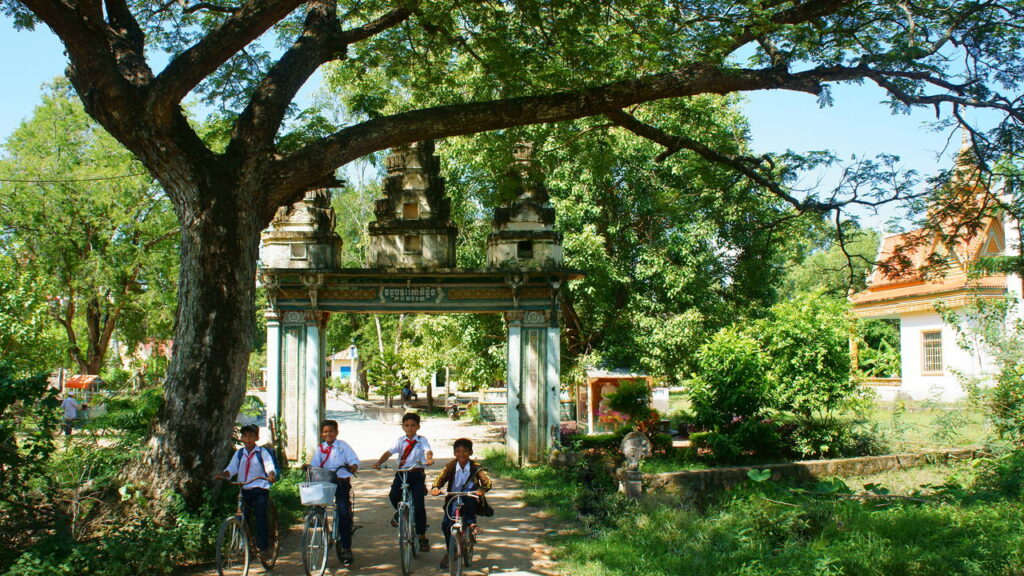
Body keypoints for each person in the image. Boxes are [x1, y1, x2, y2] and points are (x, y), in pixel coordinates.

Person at [373, 412, 434, 552]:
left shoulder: (422, 440)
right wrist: (379, 462)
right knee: (393, 495)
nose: (410, 428)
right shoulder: (400, 441)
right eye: (407, 425)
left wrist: (429, 459)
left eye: (413, 425)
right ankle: (400, 513)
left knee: (419, 505)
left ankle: (421, 536)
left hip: (417, 473)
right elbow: (389, 452)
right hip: (401, 473)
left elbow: (428, 451)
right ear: (403, 427)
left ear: (418, 426)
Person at [216, 424, 277, 560]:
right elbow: (232, 468)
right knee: (241, 516)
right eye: (245, 436)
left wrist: (271, 475)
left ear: (257, 438)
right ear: (242, 438)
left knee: (260, 516)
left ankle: (264, 548)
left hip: (260, 488)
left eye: (251, 436)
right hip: (244, 489)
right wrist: (224, 474)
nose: (248, 439)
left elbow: (269, 466)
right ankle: (244, 545)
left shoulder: (262, 452)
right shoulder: (239, 453)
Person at [430, 437, 492, 571]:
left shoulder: (476, 467)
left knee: (469, 501)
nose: (461, 454)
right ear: (454, 453)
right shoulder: (450, 466)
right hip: (453, 497)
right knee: (446, 524)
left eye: (465, 451)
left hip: (470, 496)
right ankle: (450, 552)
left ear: (470, 452)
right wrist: (436, 487)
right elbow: (440, 479)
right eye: (458, 451)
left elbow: (487, 482)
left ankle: (472, 524)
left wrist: (482, 489)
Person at [309, 419, 361, 566]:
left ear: (337, 432)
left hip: (341, 482)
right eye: (325, 432)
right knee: (317, 506)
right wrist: (309, 467)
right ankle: (318, 521)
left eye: (331, 431)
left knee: (343, 512)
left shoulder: (343, 446)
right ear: (321, 434)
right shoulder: (320, 449)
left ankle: (346, 547)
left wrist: (353, 466)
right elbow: (315, 464)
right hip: (325, 482)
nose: (328, 434)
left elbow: (354, 460)